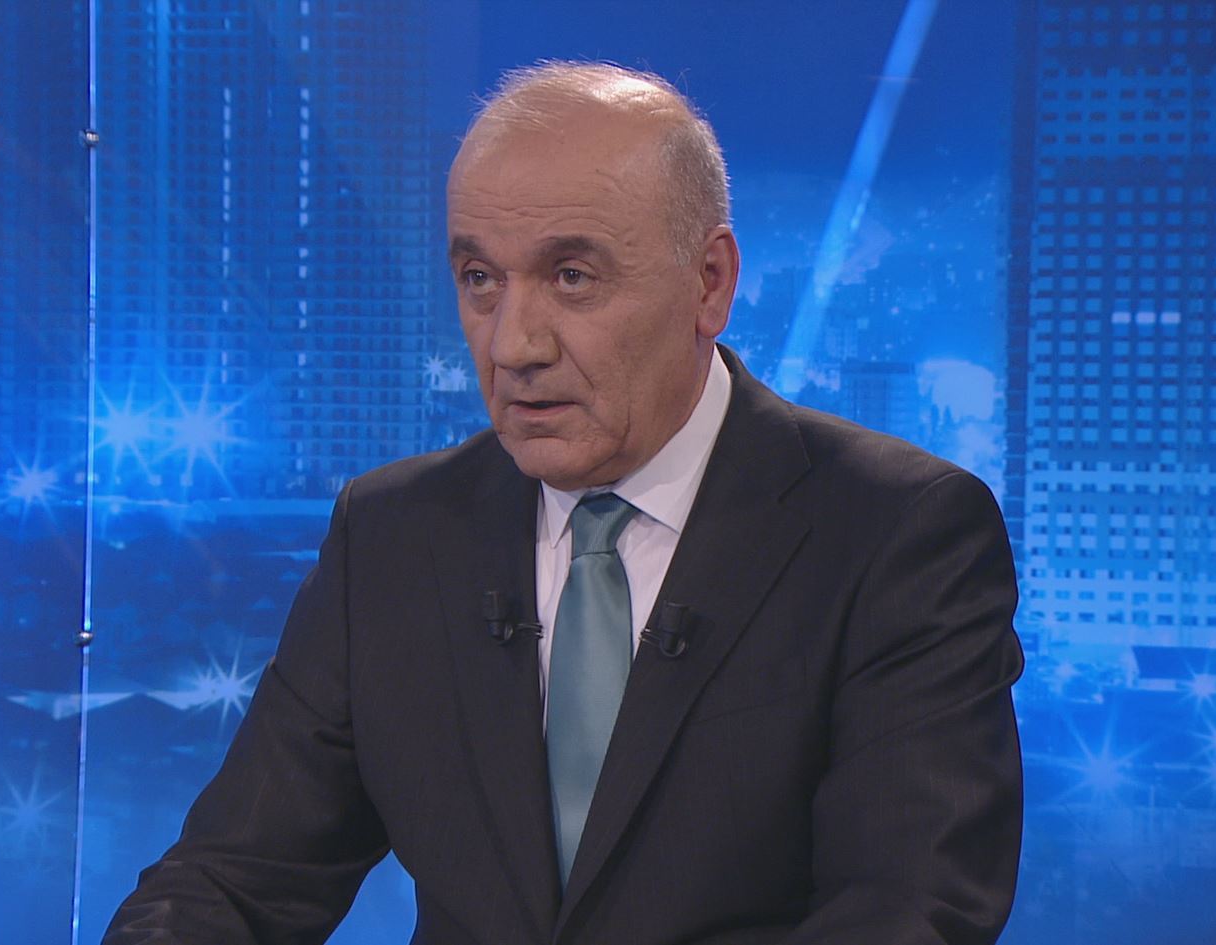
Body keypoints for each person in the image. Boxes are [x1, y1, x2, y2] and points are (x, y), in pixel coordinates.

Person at [104, 61, 1024, 945]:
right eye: (480, 279)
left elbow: (909, 911)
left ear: (708, 283)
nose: (513, 344)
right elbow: (232, 879)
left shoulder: (897, 533)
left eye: (571, 276)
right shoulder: (391, 537)